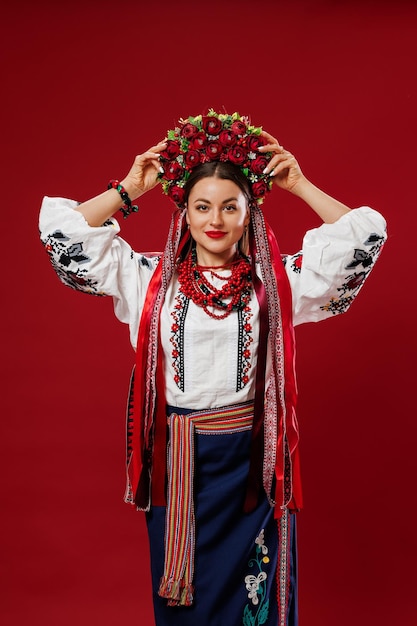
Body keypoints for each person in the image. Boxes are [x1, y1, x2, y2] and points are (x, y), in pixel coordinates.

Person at [39, 111, 386, 626]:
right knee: (186, 603)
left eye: (230, 206)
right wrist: (128, 188)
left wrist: (300, 184)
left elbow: (364, 235)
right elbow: (61, 232)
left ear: (251, 213)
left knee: (253, 604)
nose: (215, 220)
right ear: (186, 210)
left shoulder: (277, 283)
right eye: (202, 206)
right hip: (179, 463)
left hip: (250, 466)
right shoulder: (149, 279)